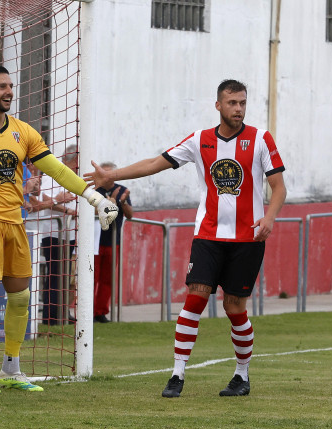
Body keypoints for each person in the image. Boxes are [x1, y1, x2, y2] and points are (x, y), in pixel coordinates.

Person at [85, 79, 286, 398]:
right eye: (232, 103)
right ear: (218, 105)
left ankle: (241, 375)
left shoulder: (260, 139)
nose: (238, 108)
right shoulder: (200, 140)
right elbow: (155, 163)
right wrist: (113, 175)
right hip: (207, 235)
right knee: (195, 296)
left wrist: (270, 217)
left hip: (247, 239)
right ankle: (177, 374)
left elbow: (279, 187)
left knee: (234, 308)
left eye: (242, 103)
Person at [0, 65, 119, 394]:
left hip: (16, 223)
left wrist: (93, 198)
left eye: (11, 85)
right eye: (1, 86)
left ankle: (11, 369)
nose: (9, 91)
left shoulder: (25, 132)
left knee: (20, 298)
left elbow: (58, 170)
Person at [29, 146, 81, 325]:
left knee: (67, 275)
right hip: (54, 232)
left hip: (68, 233)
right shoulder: (53, 174)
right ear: (72, 160)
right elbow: (45, 200)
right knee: (54, 275)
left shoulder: (73, 175)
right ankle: (51, 316)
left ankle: (63, 312)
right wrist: (67, 209)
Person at [93, 162, 134, 323]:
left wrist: (121, 202)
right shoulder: (94, 190)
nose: (107, 177)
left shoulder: (122, 190)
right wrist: (110, 203)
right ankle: (86, 312)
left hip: (113, 241)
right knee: (92, 277)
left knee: (107, 279)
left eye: (110, 174)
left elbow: (130, 214)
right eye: (105, 173)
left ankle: (100, 312)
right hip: (95, 242)